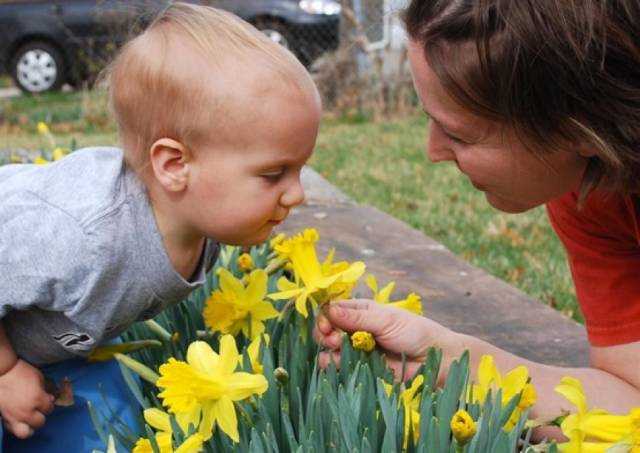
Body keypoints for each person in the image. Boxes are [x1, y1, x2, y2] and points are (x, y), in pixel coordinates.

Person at [0, 3, 320, 451]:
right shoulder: (84, 237)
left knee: (117, 425)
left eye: (300, 169)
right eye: (274, 174)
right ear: (175, 165)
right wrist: (7, 373)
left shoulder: (199, 226)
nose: (297, 194)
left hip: (45, 348)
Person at [315, 0, 640, 440]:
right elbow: (629, 406)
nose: (433, 151)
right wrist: (450, 360)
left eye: (458, 134)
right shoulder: (590, 192)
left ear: (577, 127)